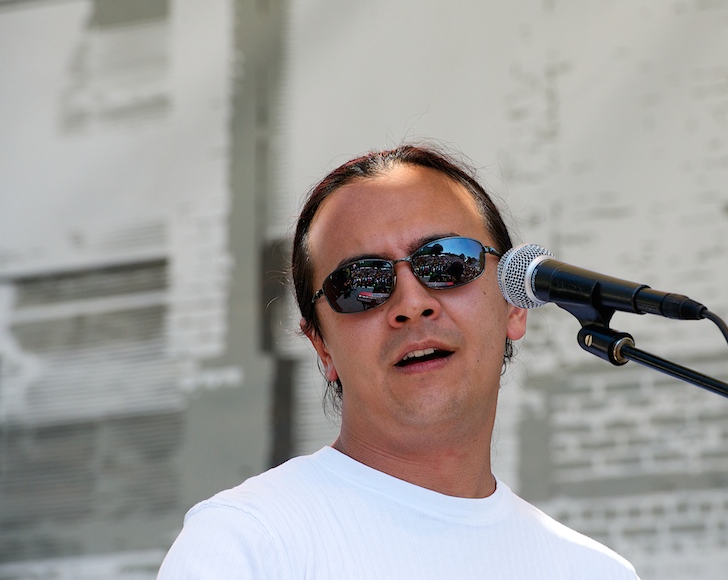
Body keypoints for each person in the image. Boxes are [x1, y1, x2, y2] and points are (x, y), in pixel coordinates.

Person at [158, 143, 639, 579]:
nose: (412, 302)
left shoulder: (594, 571)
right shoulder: (247, 544)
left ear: (514, 304)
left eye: (448, 261)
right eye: (362, 282)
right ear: (322, 346)